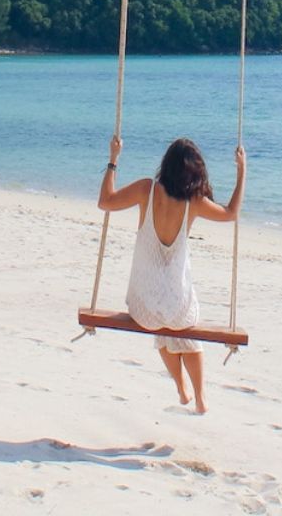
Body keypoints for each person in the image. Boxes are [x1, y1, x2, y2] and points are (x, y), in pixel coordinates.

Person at [98, 135, 246, 414]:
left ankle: (181, 389)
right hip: (177, 307)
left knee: (160, 320)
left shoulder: (146, 189)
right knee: (182, 326)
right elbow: (230, 213)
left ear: (165, 166)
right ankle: (200, 397)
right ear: (195, 170)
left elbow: (105, 202)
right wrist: (241, 171)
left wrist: (113, 160)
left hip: (143, 307)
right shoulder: (194, 201)